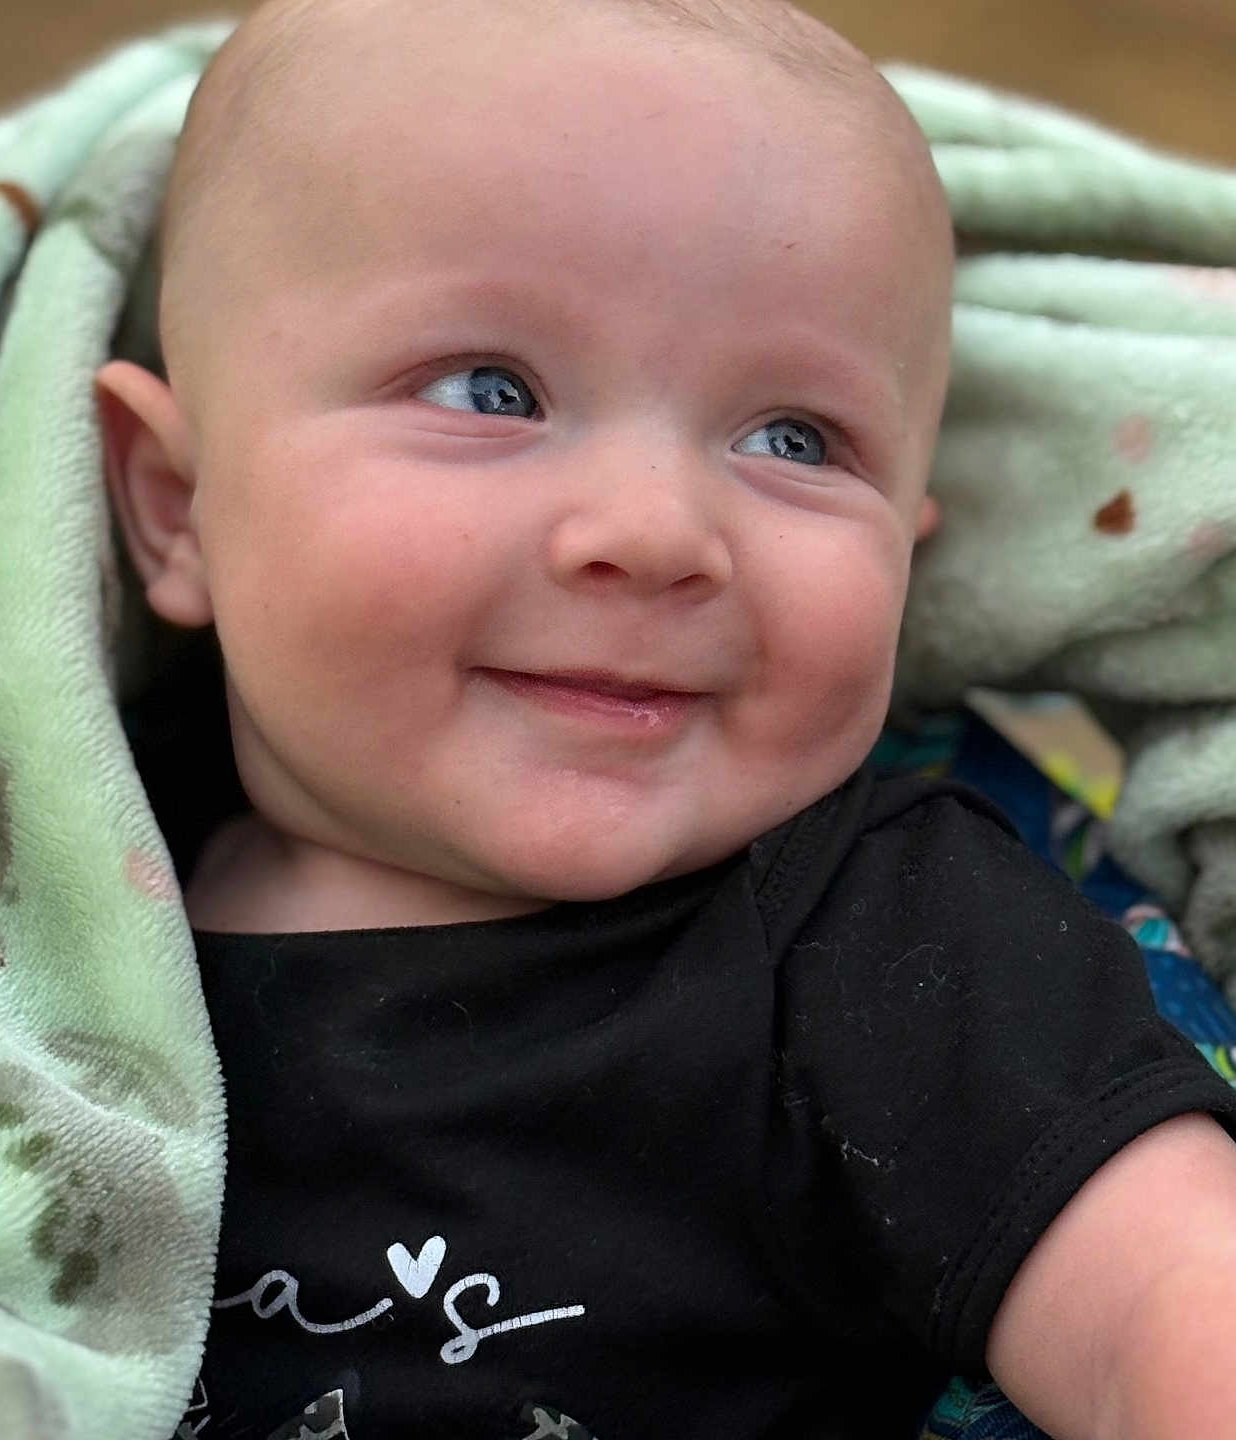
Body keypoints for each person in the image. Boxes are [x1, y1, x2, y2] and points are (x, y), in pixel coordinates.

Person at [93, 0, 1236, 1434]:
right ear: (176, 506)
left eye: (794, 440)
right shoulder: (13, 887)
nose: (653, 531)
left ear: (909, 552)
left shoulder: (888, 939)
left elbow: (1171, 1311)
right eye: (491, 391)